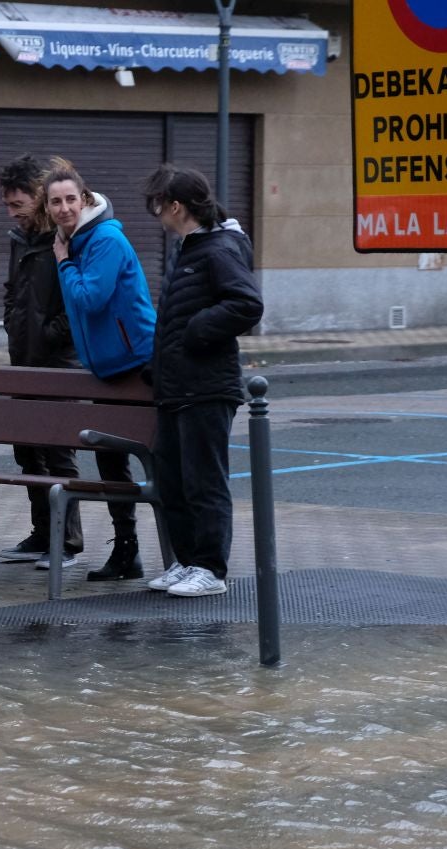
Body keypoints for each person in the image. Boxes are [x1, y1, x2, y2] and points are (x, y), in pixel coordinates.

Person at [139, 164, 263, 597]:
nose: (155, 214)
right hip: (176, 386)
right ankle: (186, 560)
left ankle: (210, 569)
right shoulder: (190, 247)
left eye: (157, 205)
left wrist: (196, 331)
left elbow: (247, 304)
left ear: (176, 206)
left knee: (203, 481)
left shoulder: (218, 249)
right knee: (172, 479)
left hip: (207, 387)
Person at [48, 157, 157, 582]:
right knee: (111, 460)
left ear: (85, 199)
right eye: (55, 202)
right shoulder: (74, 242)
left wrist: (62, 264)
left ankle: (182, 553)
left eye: (70, 199)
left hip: (137, 362)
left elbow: (91, 298)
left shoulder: (104, 239)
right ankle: (126, 550)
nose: (63, 208)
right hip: (107, 367)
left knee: (150, 458)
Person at [0, 154, 84, 572]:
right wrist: (14, 321)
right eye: (8, 205)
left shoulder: (71, 238)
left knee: (57, 449)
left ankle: (66, 540)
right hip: (24, 356)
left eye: (18, 205)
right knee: (28, 448)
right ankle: (41, 531)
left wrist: (50, 333)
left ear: (39, 196)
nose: (12, 213)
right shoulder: (21, 238)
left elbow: (80, 300)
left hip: (60, 361)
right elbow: (14, 290)